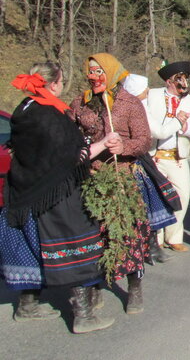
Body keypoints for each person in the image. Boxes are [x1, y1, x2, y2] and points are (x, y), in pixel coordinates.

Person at [1, 62, 115, 333]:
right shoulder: (49, 114)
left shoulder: (24, 108)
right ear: (53, 84)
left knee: (32, 248)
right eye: (62, 81)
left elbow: (21, 148)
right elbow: (71, 157)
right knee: (72, 243)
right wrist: (103, 143)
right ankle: (83, 316)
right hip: (54, 193)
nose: (62, 86)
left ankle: (27, 306)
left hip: (25, 188)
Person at [70, 53, 151, 315]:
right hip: (90, 179)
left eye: (99, 71)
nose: (93, 76)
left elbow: (143, 140)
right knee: (95, 237)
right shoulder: (81, 103)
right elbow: (69, 135)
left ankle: (135, 287)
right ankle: (95, 286)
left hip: (120, 176)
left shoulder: (129, 103)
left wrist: (124, 146)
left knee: (128, 235)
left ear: (112, 72)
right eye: (90, 71)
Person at [147, 61, 190, 253]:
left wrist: (184, 125)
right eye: (180, 78)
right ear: (170, 81)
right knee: (157, 197)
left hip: (177, 158)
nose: (184, 82)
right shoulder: (152, 96)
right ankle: (157, 237)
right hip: (155, 157)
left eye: (185, 78)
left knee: (182, 196)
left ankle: (174, 236)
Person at [123, 73, 178, 265]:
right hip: (130, 159)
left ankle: (152, 245)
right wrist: (178, 120)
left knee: (153, 198)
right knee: (141, 201)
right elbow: (157, 131)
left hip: (142, 157)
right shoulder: (131, 108)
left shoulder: (141, 107)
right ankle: (140, 246)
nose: (147, 92)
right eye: (144, 89)